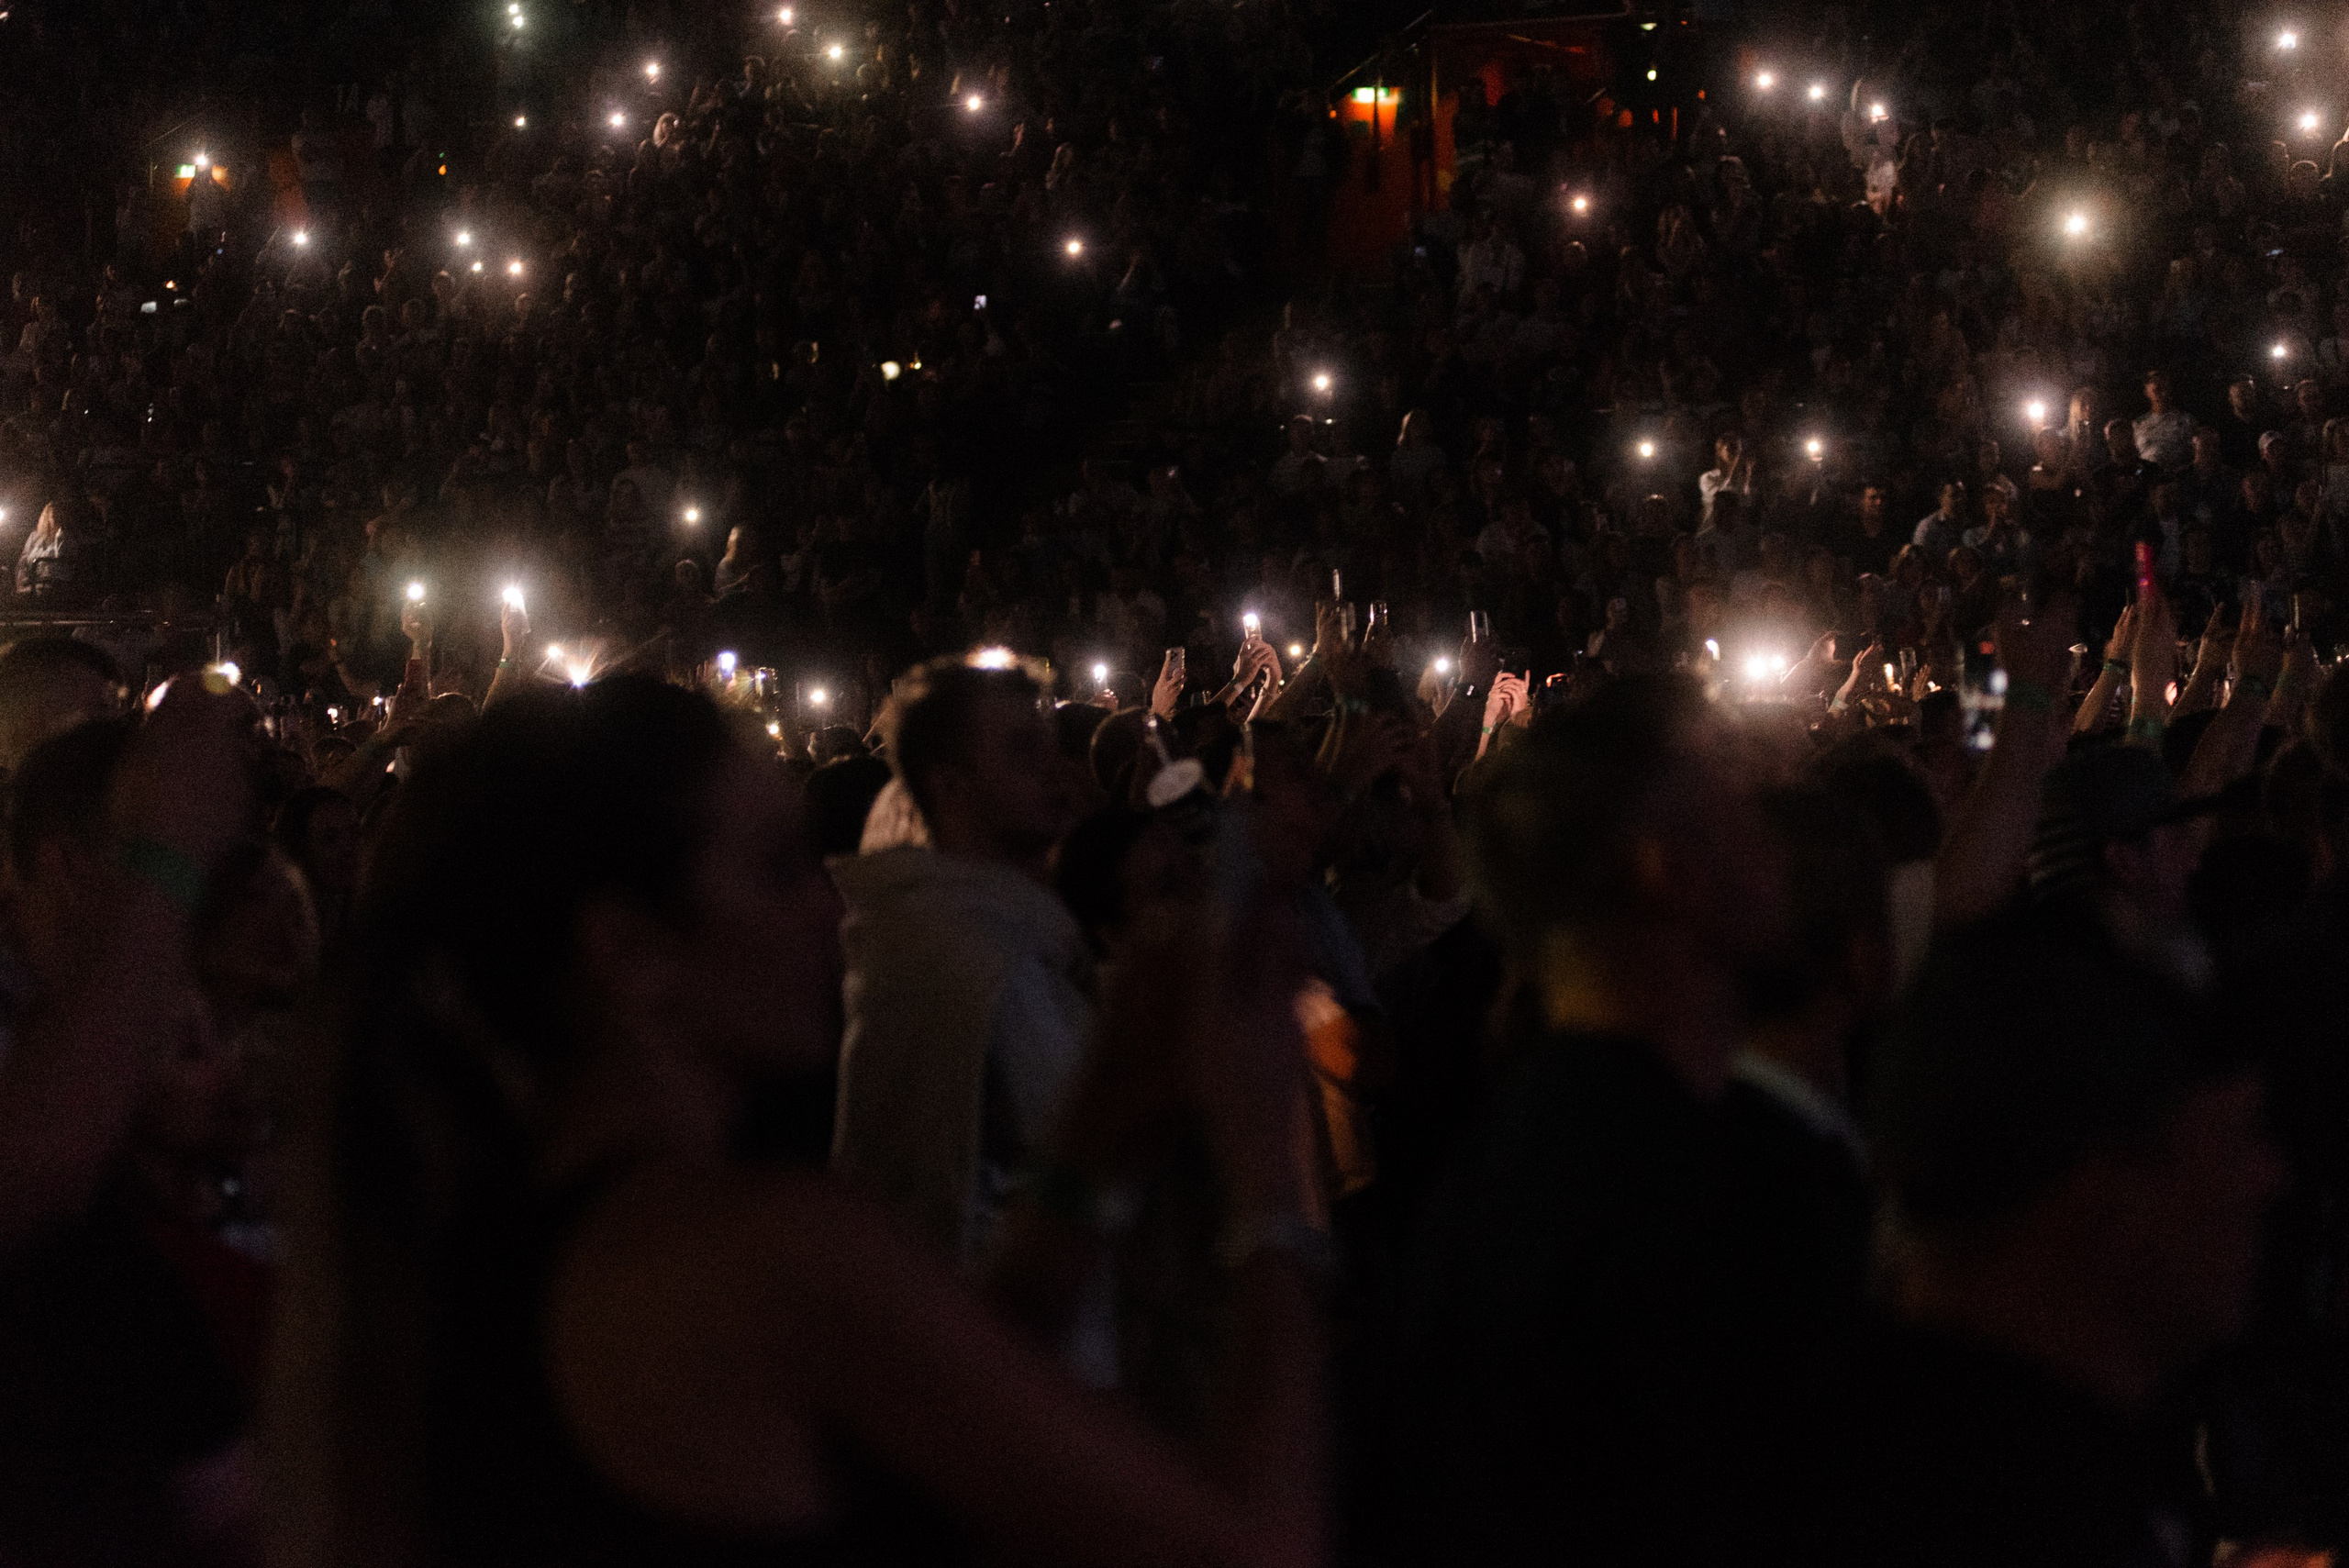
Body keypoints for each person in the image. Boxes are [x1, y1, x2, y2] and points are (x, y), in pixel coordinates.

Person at [273, 676, 1326, 1568]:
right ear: (630, 952)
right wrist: (1268, 1185)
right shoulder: (749, 1247)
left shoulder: (519, 1233)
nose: (828, 904)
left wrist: (1101, 1125)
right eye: (776, 867)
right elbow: (1245, 1542)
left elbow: (938, 1408)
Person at [1387, 676, 1822, 1564]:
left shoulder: (1503, 1163)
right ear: (1667, 866)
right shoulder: (1709, 1187)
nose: (1780, 847)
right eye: (1741, 812)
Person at [1839, 906, 2284, 1562]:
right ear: (2106, 1191)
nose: (2270, 1178)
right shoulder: (2008, 1509)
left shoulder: (1887, 1447)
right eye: (2237, 1140)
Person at [829, 655, 1095, 1275]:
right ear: (952, 786)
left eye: (1051, 745)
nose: (1056, 771)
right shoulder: (970, 955)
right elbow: (1090, 1143)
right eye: (1025, 752)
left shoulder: (993, 926)